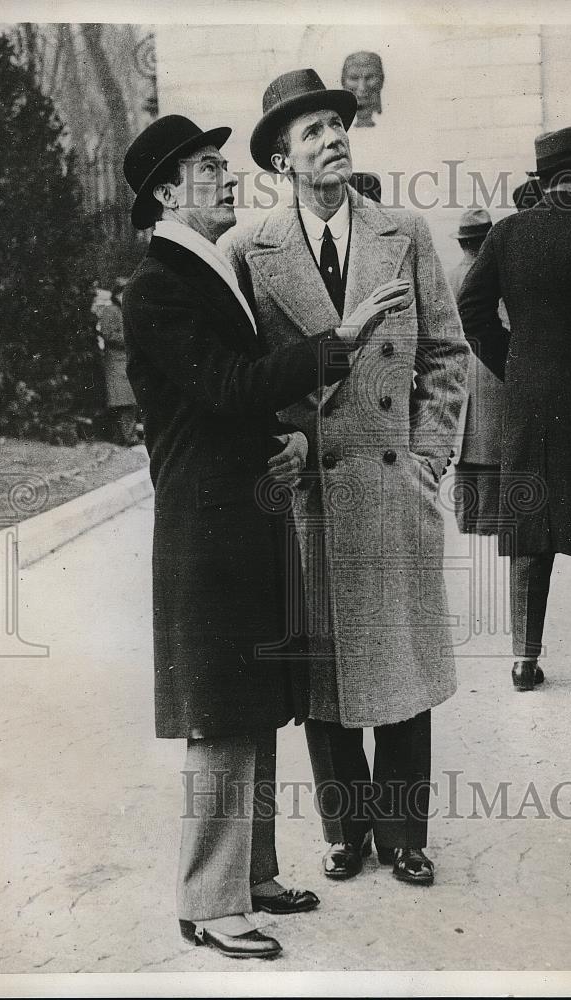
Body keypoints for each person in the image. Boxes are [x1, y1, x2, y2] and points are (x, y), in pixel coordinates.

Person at [121, 114, 410, 959]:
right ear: (168, 194)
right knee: (218, 712)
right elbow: (224, 387)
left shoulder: (208, 271)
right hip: (204, 528)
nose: (225, 176)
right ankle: (208, 903)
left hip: (241, 511)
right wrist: (341, 341)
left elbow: (232, 403)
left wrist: (281, 442)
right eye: (209, 168)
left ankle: (252, 876)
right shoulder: (159, 285)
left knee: (252, 704)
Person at [227, 69, 469, 887]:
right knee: (323, 670)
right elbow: (245, 378)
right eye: (312, 133)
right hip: (311, 493)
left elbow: (446, 354)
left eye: (338, 123)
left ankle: (405, 834)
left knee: (398, 660)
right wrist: (283, 454)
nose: (333, 140)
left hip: (393, 485)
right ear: (281, 162)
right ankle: (345, 830)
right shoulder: (248, 253)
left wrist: (429, 460)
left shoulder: (405, 231)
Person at [458, 126, 571, 693]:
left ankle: (525, 661)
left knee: (529, 535)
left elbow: (472, 312)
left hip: (526, 408)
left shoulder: (505, 236)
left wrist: (515, 367)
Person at [448, 209, 503, 536]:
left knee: (464, 459)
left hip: (460, 380)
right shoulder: (496, 278)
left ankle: (467, 526)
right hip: (493, 378)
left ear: (462, 243)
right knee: (492, 458)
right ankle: (488, 529)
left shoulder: (447, 278)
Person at [96, 277, 139, 445]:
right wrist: (130, 338)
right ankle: (128, 437)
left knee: (127, 401)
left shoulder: (123, 310)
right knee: (124, 402)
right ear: (116, 294)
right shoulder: (111, 311)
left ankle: (124, 437)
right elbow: (108, 334)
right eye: (123, 294)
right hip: (116, 362)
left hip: (125, 362)